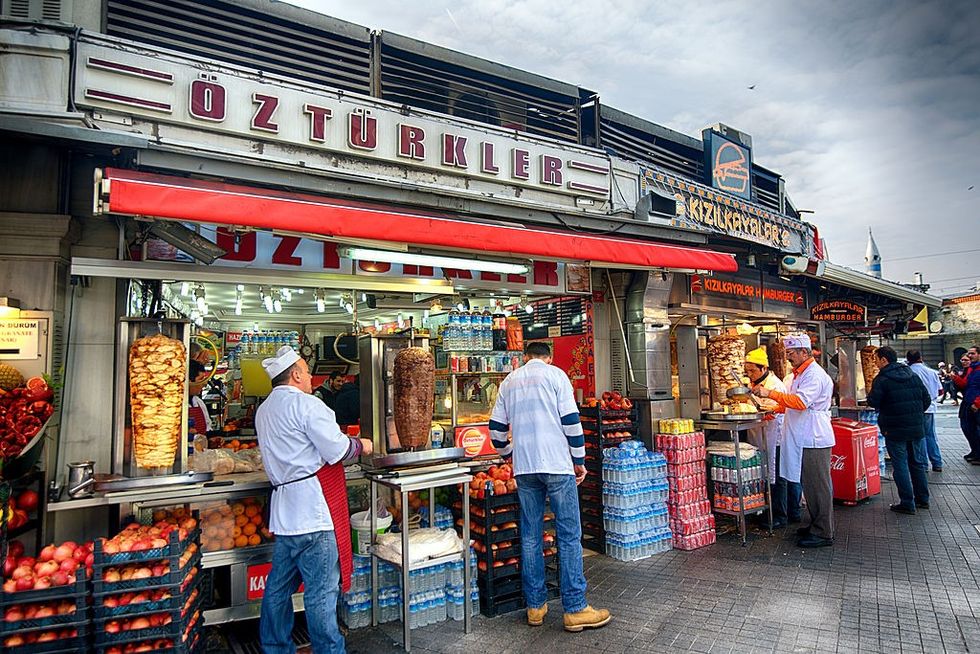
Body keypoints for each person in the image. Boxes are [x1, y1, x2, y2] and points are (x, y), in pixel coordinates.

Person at [256, 346, 373, 654]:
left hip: (285, 515)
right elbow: (337, 450)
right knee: (321, 594)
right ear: (295, 375)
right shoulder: (308, 405)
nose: (310, 377)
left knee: (278, 590)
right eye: (306, 372)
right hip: (314, 513)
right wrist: (362, 444)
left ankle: (275, 647)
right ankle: (330, 650)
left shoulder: (264, 409)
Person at [488, 342, 611, 632]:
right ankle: (575, 608)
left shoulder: (509, 381)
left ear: (524, 358)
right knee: (568, 536)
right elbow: (571, 422)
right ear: (550, 357)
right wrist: (579, 459)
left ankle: (535, 607)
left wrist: (510, 455)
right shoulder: (557, 376)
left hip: (526, 468)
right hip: (557, 466)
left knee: (530, 536)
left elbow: (495, 429)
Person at [752, 334, 835, 548]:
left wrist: (770, 394)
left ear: (804, 352)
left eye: (791, 353)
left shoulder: (814, 374)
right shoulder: (799, 375)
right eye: (787, 353)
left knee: (818, 486)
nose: (788, 357)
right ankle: (815, 524)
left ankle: (824, 531)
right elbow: (792, 402)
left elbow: (800, 402)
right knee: (808, 484)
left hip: (814, 436)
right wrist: (777, 408)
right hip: (802, 435)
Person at [867, 347, 932, 514]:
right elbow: (926, 399)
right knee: (917, 463)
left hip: (894, 429)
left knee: (900, 465)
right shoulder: (912, 375)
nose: (874, 362)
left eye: (876, 359)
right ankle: (923, 499)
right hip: (916, 428)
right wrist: (915, 415)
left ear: (883, 360)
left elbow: (874, 401)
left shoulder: (882, 379)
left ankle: (907, 502)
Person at [743, 347, 801, 528]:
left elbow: (777, 408)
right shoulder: (753, 384)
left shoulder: (774, 385)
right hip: (761, 436)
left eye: (752, 370)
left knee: (777, 476)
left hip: (775, 435)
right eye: (747, 370)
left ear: (763, 368)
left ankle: (780, 516)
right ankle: (783, 512)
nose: (749, 374)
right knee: (770, 475)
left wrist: (764, 410)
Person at [905, 351, 943, 471]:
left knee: (918, 437)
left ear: (908, 359)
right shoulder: (932, 372)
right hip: (930, 407)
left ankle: (923, 464)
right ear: (920, 358)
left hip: (914, 409)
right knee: (930, 435)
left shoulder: (908, 372)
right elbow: (940, 391)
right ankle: (937, 462)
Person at [955, 346, 980, 462]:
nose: (969, 356)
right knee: (968, 428)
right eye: (968, 354)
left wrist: (977, 403)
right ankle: (975, 451)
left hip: (975, 404)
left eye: (972, 354)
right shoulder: (972, 369)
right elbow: (966, 384)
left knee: (976, 429)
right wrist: (955, 378)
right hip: (968, 402)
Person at [187, 359, 213, 435]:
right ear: (189, 381)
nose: (204, 383)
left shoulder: (198, 402)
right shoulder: (175, 404)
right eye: (201, 379)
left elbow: (208, 428)